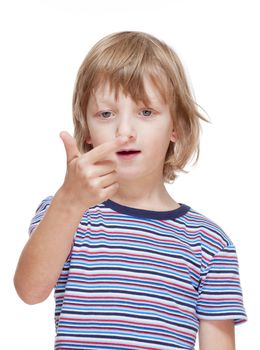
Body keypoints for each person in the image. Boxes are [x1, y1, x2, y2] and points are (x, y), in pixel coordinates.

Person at [14, 31, 247, 350]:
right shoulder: (67, 212)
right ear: (88, 131)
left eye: (146, 112)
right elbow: (29, 291)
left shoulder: (209, 244)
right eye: (106, 114)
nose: (125, 131)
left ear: (176, 126)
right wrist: (69, 201)